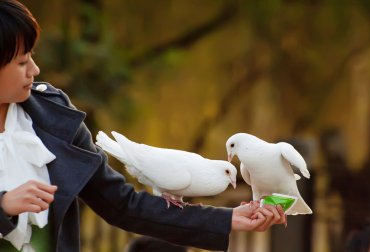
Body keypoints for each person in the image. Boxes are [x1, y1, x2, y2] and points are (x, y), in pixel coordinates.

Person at [0, 0, 286, 251]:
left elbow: (122, 205)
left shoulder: (53, 114)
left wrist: (226, 218)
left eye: (32, 57)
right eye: (22, 61)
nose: (34, 70)